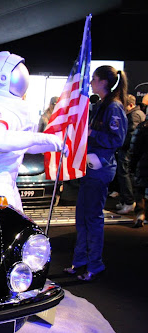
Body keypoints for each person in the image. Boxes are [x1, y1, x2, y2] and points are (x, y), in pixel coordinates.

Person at [0, 51, 65, 212]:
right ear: (1, 78)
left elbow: (23, 145)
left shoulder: (4, 108)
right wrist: (40, 139)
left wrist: (55, 143)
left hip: (6, 185)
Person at [64, 66, 128, 281]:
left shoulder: (114, 107)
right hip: (91, 167)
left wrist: (92, 133)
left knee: (92, 218)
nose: (91, 82)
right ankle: (80, 261)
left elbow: (116, 139)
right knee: (82, 216)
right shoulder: (102, 105)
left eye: (94, 78)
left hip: (100, 168)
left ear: (103, 82)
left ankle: (94, 264)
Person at [114, 95, 145, 214]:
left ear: (130, 105)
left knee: (124, 174)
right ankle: (126, 201)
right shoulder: (136, 114)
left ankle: (128, 202)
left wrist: (120, 144)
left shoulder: (134, 115)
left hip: (127, 151)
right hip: (129, 150)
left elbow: (132, 135)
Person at [129, 115, 148, 227]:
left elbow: (134, 146)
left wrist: (132, 164)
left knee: (140, 189)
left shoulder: (143, 127)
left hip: (143, 162)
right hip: (143, 161)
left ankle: (140, 214)